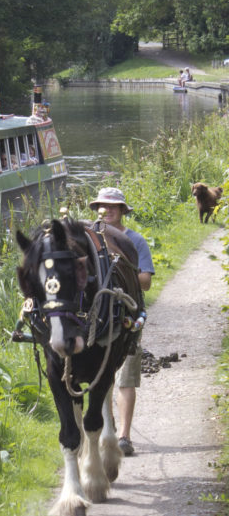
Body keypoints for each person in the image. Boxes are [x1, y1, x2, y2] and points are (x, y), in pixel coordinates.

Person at [89, 187, 155, 456]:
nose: (108, 210)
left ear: (123, 211)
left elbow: (146, 282)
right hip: (97, 321)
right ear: (97, 210)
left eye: (114, 206)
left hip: (126, 318)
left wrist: (118, 272)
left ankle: (125, 436)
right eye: (103, 205)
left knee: (126, 377)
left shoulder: (134, 241)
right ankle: (107, 428)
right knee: (99, 379)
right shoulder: (89, 240)